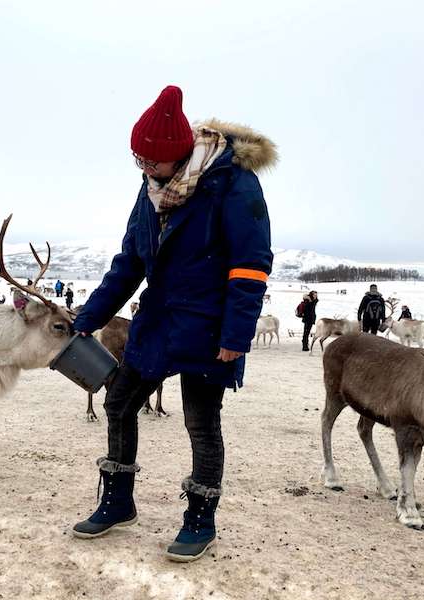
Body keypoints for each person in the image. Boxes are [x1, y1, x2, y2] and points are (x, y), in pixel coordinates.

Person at [71, 86, 275, 562]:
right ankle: (118, 501)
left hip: (209, 327)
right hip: (159, 320)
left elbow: (251, 264)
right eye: (137, 161)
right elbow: (129, 263)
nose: (143, 170)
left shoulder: (233, 183)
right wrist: (90, 317)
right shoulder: (151, 190)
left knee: (201, 423)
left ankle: (201, 517)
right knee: (119, 402)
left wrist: (236, 336)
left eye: (151, 162)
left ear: (178, 154)